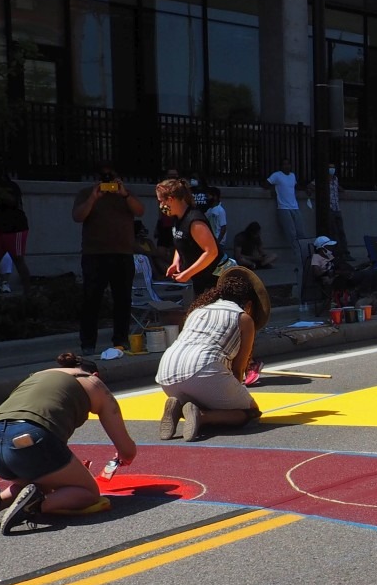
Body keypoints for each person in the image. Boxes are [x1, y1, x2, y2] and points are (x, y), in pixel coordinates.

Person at [0, 352, 138, 535]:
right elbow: (127, 450)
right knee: (87, 492)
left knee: (40, 480)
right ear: (96, 375)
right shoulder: (92, 382)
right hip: (32, 439)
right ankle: (37, 505)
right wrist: (124, 456)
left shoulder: (36, 377)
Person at [157, 267, 269, 442]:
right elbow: (238, 369)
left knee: (206, 397)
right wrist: (239, 394)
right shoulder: (243, 318)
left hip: (166, 374)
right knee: (251, 413)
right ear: (248, 304)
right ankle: (202, 416)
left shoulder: (198, 310)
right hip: (203, 371)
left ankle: (178, 407)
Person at [72, 163, 146, 356]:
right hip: (94, 254)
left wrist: (125, 194)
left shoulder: (125, 194)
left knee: (123, 300)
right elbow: (78, 216)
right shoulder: (86, 193)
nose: (107, 181)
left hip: (122, 253)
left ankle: (120, 341)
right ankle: (88, 344)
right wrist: (93, 198)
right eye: (103, 177)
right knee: (91, 300)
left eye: (110, 177)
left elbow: (140, 211)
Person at [158, 177, 225, 295]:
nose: (161, 205)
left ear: (170, 199)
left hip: (215, 279)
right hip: (200, 279)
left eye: (161, 201)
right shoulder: (178, 218)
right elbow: (182, 240)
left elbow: (211, 252)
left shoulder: (194, 220)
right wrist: (176, 262)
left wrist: (187, 273)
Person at [0, 168, 31, 295]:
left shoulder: (10, 186)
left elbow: (12, 201)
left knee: (18, 260)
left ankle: (28, 292)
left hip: (14, 229)